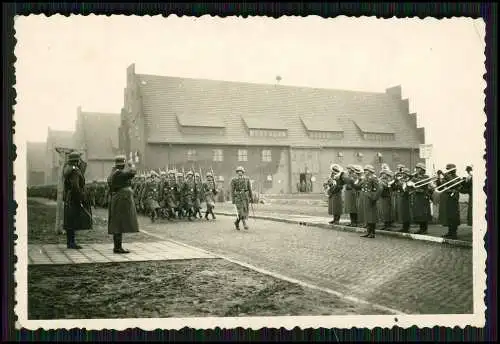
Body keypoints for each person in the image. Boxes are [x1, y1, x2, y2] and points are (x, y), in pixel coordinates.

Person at [107, 155, 139, 254]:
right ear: (122, 164)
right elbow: (133, 172)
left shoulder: (114, 173)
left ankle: (117, 246)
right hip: (120, 199)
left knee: (118, 222)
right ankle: (117, 247)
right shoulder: (119, 174)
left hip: (118, 198)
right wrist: (132, 164)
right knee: (118, 223)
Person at [62, 151, 93, 249]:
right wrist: (80, 198)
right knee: (72, 220)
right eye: (79, 159)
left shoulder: (68, 169)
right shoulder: (75, 171)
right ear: (76, 161)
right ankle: (71, 243)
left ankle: (70, 242)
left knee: (70, 220)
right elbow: (75, 186)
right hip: (74, 197)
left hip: (69, 197)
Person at [436, 163, 463, 239]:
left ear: (454, 170)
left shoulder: (456, 178)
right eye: (447, 169)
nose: (448, 170)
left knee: (453, 216)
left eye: (449, 169)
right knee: (447, 216)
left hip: (453, 198)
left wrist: (444, 175)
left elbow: (454, 184)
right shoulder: (445, 178)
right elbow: (439, 187)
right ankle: (450, 232)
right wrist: (438, 177)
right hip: (446, 198)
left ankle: (454, 233)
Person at [406, 163, 434, 235]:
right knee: (418, 213)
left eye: (419, 168)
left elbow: (423, 183)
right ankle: (421, 228)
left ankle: (424, 229)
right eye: (417, 168)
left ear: (423, 170)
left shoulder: (426, 176)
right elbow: (410, 185)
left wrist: (413, 178)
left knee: (424, 213)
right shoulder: (415, 176)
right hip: (417, 196)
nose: (417, 169)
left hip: (423, 197)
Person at [357, 165, 381, 238]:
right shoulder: (365, 178)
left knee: (371, 216)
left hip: (371, 199)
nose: (365, 172)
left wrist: (374, 198)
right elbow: (359, 186)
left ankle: (372, 233)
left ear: (370, 171)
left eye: (366, 170)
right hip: (365, 198)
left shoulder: (373, 178)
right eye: (364, 170)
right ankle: (368, 231)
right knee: (367, 215)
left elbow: (379, 189)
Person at [230, 166, 253, 230]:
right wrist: (233, 199)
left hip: (245, 197)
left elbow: (249, 189)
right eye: (238, 171)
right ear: (237, 172)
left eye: (241, 171)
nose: (240, 172)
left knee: (244, 211)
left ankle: (236, 222)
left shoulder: (247, 179)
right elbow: (232, 190)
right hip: (238, 197)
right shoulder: (234, 180)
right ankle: (244, 224)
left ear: (243, 172)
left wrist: (251, 197)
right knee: (240, 211)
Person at [391, 168, 412, 232]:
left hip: (407, 198)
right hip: (401, 197)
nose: (403, 174)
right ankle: (404, 227)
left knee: (406, 213)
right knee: (402, 213)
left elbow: (409, 189)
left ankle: (407, 227)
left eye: (404, 173)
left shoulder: (410, 180)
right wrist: (395, 181)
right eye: (402, 173)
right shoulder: (400, 180)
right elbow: (394, 188)